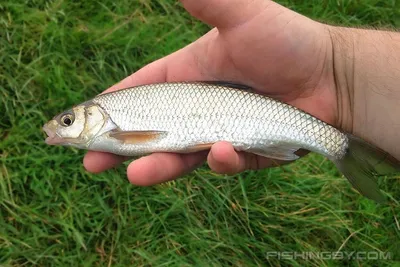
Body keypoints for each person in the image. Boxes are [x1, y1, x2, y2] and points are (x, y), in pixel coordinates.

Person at [83, 0, 400, 186]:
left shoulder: (115, 118)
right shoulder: (115, 117)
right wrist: (342, 72)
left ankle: (343, 149)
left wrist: (341, 73)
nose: (60, 126)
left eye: (68, 121)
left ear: (94, 116)